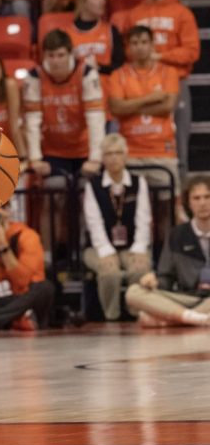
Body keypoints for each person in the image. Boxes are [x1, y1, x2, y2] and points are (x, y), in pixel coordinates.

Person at [121, 0, 200, 178]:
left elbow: (192, 52)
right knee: (141, 139)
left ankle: (179, 196)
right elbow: (126, 51)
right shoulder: (134, 14)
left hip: (176, 84)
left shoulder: (181, 13)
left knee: (179, 141)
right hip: (141, 83)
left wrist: (160, 57)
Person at [104, 25, 181, 200]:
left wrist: (130, 106)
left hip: (162, 151)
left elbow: (167, 107)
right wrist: (151, 98)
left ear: (153, 44)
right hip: (130, 154)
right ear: (128, 47)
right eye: (135, 43)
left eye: (144, 42)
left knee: (168, 206)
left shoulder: (168, 72)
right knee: (129, 208)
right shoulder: (118, 75)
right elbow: (116, 109)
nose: (140, 47)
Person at [82, 134, 152, 321]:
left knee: (139, 268)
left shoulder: (138, 183)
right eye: (109, 153)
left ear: (126, 156)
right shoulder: (94, 185)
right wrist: (105, 251)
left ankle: (136, 314)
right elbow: (93, 222)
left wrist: (139, 249)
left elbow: (144, 219)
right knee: (109, 271)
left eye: (118, 153)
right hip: (97, 247)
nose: (114, 158)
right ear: (103, 158)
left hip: (131, 245)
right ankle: (111, 316)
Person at [124, 175, 210, 327]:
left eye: (207, 197)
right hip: (187, 297)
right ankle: (192, 318)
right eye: (196, 198)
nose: (203, 203)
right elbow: (166, 277)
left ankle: (172, 318)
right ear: (188, 203)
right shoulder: (177, 235)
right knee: (134, 291)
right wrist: (153, 281)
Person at [23, 29, 105, 179]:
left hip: (84, 149)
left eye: (60, 55)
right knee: (55, 187)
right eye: (51, 56)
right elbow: (32, 121)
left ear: (71, 54)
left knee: (87, 188)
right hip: (53, 151)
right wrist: (35, 158)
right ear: (44, 56)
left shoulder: (86, 73)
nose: (55, 61)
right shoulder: (35, 77)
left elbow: (96, 119)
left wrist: (95, 158)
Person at [54, 0, 124, 76]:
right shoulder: (65, 33)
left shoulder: (111, 30)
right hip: (78, 85)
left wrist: (99, 68)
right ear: (83, 2)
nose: (102, 1)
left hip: (107, 85)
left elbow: (119, 65)